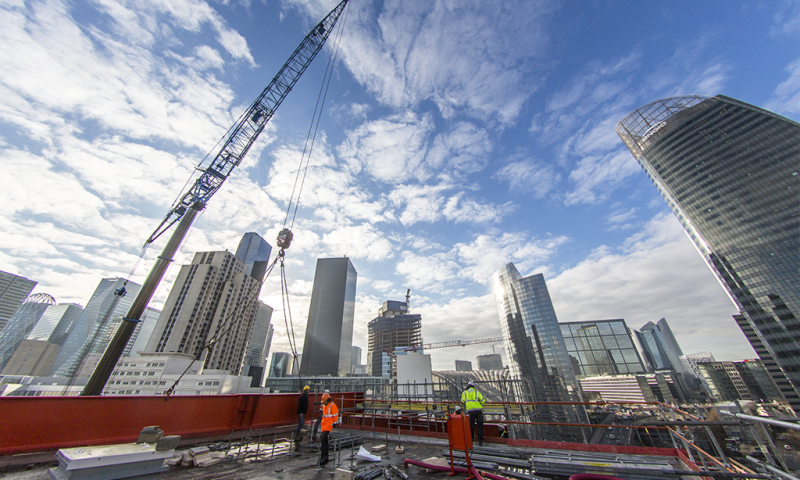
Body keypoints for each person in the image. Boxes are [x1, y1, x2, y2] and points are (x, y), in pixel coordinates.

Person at [461, 380, 485, 446]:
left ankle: (471, 440)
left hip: (470, 411)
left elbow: (462, 401)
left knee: (471, 426)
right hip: (478, 411)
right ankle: (480, 441)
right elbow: (483, 401)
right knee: (480, 426)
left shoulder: (464, 393)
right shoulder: (476, 392)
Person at [319, 393, 339, 466]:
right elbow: (324, 417)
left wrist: (334, 423)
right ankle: (325, 457)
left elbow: (335, 415)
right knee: (324, 440)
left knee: (323, 439)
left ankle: (323, 457)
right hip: (324, 426)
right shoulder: (325, 406)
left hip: (328, 425)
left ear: (327, 400)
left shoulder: (332, 405)